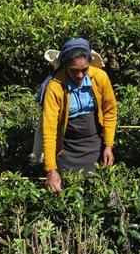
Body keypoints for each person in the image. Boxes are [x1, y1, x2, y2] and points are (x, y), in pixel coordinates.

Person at [42, 37, 117, 192]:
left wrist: (108, 145)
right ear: (65, 66)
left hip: (95, 144)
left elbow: (110, 112)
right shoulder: (55, 87)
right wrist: (51, 170)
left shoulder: (100, 77)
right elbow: (49, 129)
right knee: (69, 191)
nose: (80, 75)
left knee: (96, 189)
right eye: (74, 70)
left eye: (85, 69)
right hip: (67, 150)